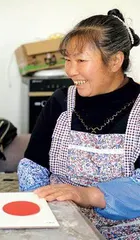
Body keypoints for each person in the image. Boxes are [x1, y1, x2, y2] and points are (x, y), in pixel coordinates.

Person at [17, 9, 140, 239]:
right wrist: (38, 207)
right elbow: (34, 165)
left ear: (115, 61)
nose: (71, 71)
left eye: (81, 60)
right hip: (63, 224)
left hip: (128, 231)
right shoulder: (60, 101)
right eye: (67, 60)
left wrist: (84, 194)